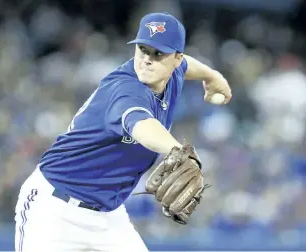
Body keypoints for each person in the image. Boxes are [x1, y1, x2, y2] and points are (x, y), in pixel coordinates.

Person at [14, 12, 232, 252]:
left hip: (109, 216)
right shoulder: (125, 88)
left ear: (176, 59)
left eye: (158, 53)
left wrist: (212, 76)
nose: (148, 59)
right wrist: (178, 151)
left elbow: (188, 65)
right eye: (143, 49)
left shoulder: (175, 73)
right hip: (54, 211)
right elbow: (141, 125)